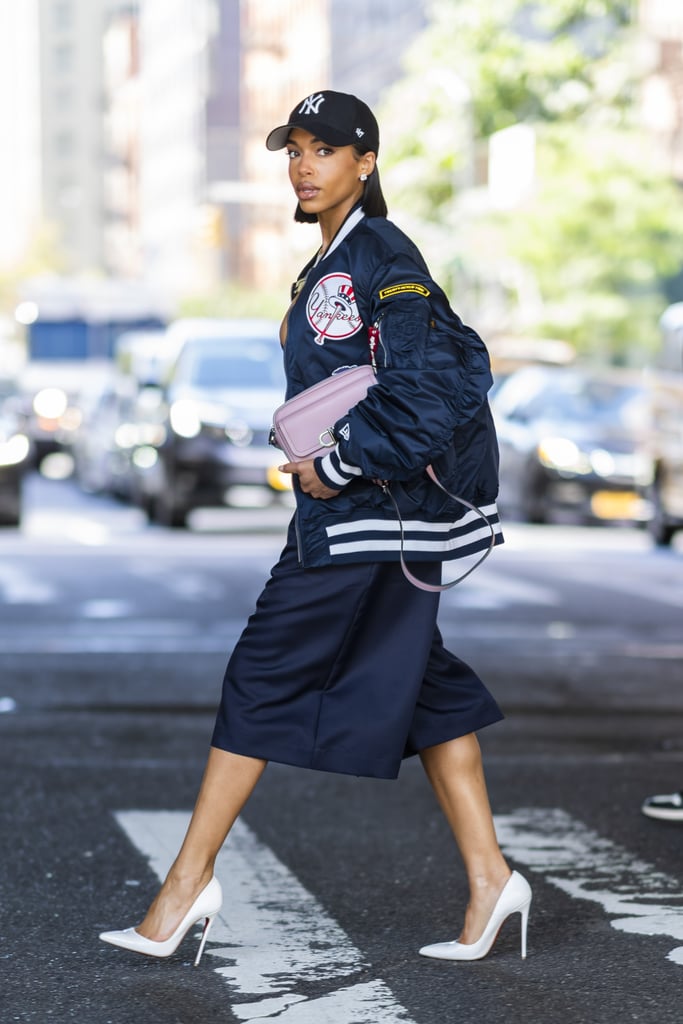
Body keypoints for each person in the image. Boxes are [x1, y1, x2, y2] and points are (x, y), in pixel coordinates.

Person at [99, 90, 531, 966]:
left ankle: (184, 888)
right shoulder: (333, 259)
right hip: (364, 516)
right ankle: (493, 881)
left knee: (260, 674)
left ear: (364, 163)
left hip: (367, 517)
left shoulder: (378, 253)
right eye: (293, 149)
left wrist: (334, 463)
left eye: (323, 150)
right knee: (425, 689)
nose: (302, 165)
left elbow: (428, 389)